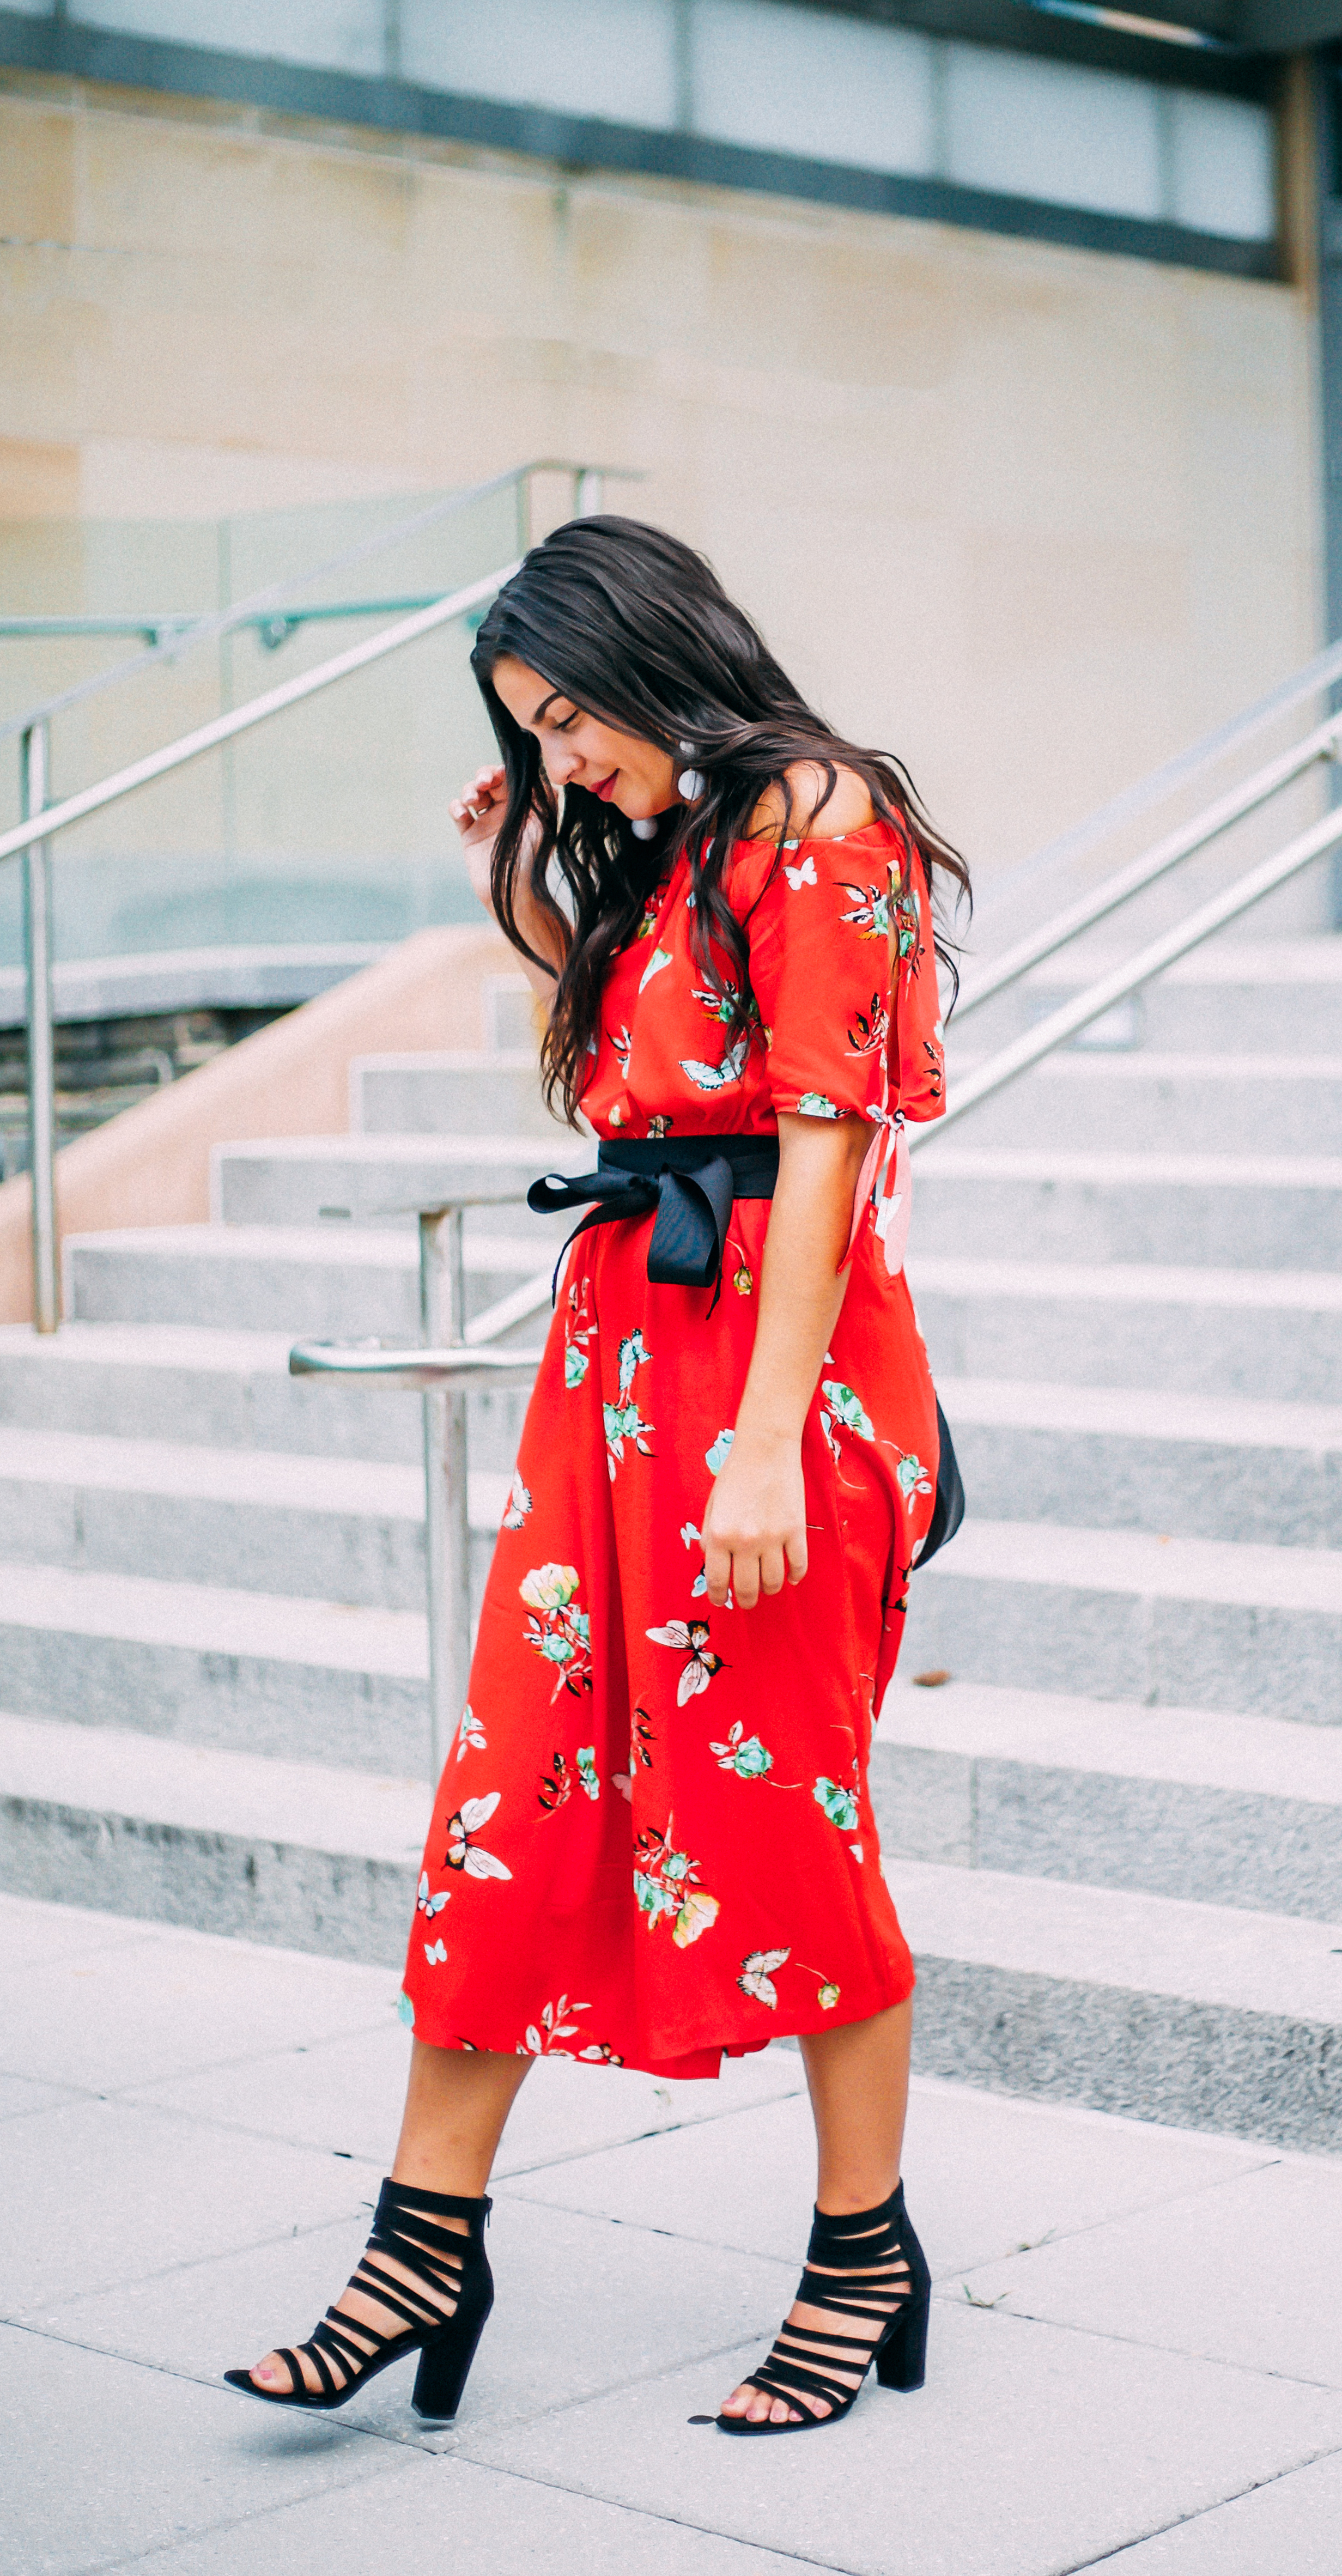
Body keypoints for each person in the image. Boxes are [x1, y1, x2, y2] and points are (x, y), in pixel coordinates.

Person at [225, 517, 968, 2435]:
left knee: (780, 1814)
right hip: (621, 1367)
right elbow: (646, 1032)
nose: (565, 762)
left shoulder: (821, 809)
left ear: (655, 653)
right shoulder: (691, 831)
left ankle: (859, 2246)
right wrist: (514, 867)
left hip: (766, 1391)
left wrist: (758, 1443)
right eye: (536, 734)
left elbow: (821, 1145)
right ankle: (422, 2238)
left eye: (572, 721)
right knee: (517, 1795)